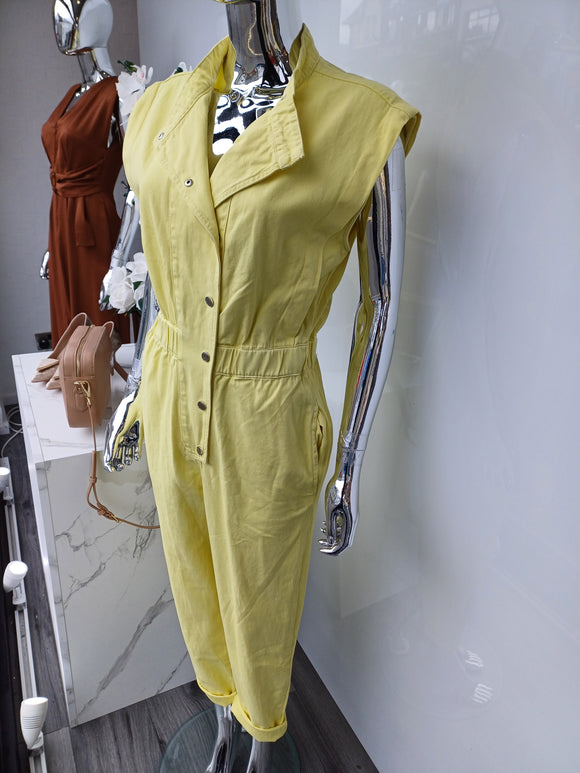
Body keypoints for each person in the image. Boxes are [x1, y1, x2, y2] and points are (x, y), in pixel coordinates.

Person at [104, 2, 420, 771]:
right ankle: (223, 729)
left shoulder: (358, 121)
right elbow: (164, 273)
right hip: (171, 386)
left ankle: (262, 749)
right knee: (195, 584)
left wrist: (349, 463)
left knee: (261, 606)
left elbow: (380, 305)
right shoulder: (163, 108)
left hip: (266, 408)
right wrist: (139, 390)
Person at [40, 0, 131, 344]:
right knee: (68, 333)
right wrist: (53, 245)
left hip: (92, 225)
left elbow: (138, 183)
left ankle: (100, 378)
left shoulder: (121, 92)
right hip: (61, 223)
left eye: (69, 16)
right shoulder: (74, 94)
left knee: (96, 330)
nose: (60, 27)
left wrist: (121, 257)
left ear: (96, 20)